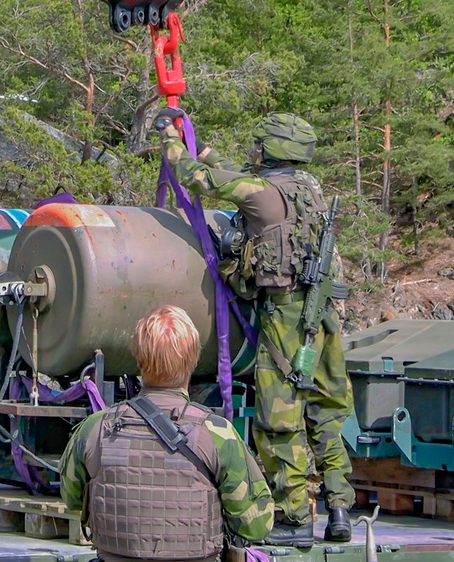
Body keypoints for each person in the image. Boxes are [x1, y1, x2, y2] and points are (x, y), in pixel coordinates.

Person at [155, 107, 356, 547]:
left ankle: (294, 515)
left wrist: (171, 141)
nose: (255, 151)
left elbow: (200, 179)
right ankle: (339, 507)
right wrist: (202, 146)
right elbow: (231, 172)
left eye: (260, 146)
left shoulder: (262, 193)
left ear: (272, 150)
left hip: (287, 316)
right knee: (328, 409)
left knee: (278, 416)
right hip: (323, 314)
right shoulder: (308, 189)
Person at [60, 305, 274, 561]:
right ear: (193, 359)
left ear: (138, 358)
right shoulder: (217, 434)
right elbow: (255, 523)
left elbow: (72, 499)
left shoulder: (95, 429)